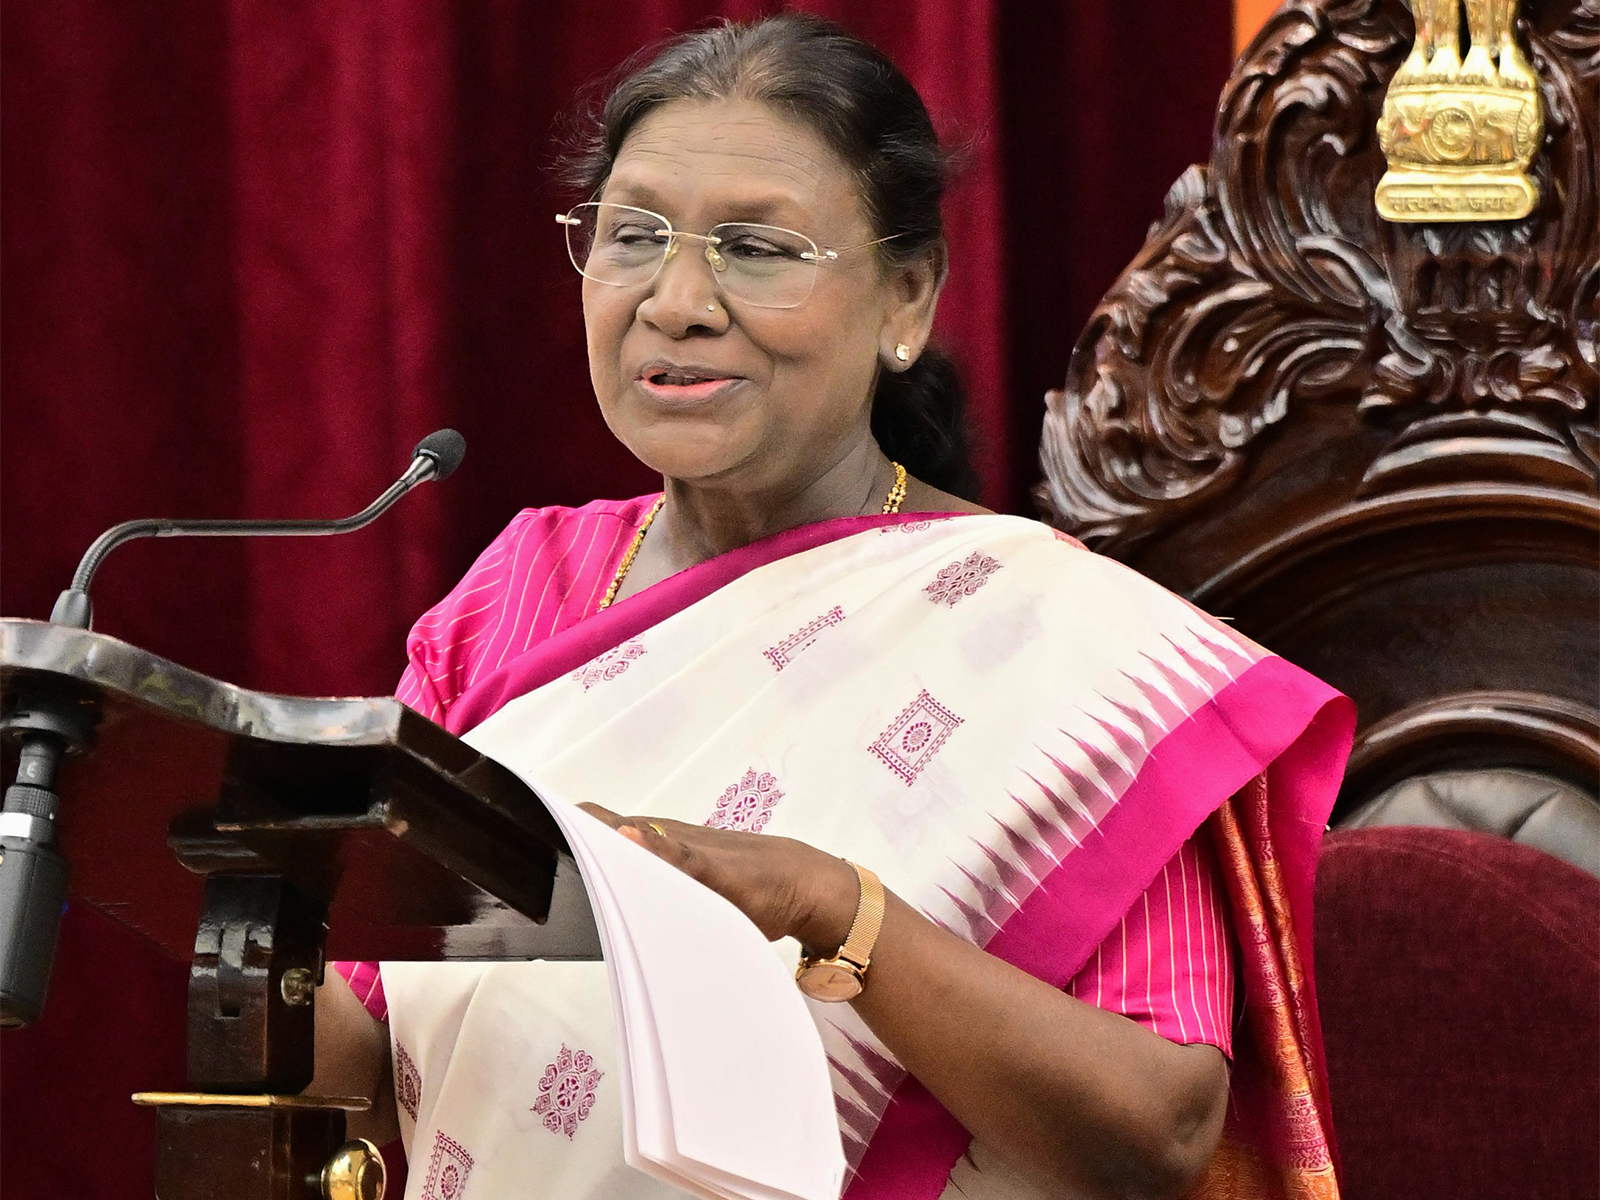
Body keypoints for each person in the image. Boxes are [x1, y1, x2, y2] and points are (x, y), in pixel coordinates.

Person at [314, 15, 1352, 1200]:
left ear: (904, 298)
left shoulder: (1051, 646)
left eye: (756, 247)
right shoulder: (514, 594)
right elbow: (358, 1046)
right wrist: (243, 900)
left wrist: (836, 912)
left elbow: (1160, 1130)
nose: (678, 299)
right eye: (632, 235)